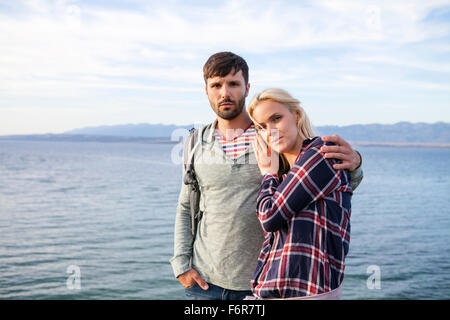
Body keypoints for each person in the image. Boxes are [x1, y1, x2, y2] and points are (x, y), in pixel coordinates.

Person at [170, 52, 363, 300]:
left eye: (233, 84)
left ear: (247, 87)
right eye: (216, 85)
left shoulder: (274, 137)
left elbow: (326, 181)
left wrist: (355, 163)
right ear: (206, 90)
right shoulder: (195, 142)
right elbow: (186, 206)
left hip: (263, 284)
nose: (224, 92)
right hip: (204, 282)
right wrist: (181, 265)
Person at [248, 88, 352, 299]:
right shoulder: (284, 175)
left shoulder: (321, 153)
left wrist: (267, 173)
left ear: (296, 115)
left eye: (276, 118)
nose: (270, 132)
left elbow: (269, 217)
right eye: (261, 127)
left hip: (310, 294)